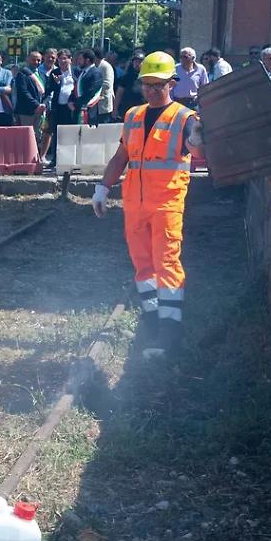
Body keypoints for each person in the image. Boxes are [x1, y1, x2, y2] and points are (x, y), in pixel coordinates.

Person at [93, 51, 203, 355]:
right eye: (147, 85)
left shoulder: (185, 118)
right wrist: (102, 188)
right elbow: (121, 157)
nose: (152, 91)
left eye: (159, 85)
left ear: (172, 83)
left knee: (166, 264)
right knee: (143, 265)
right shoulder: (133, 116)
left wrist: (201, 136)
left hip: (167, 205)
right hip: (135, 205)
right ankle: (151, 320)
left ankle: (170, 332)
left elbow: (197, 146)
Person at [43, 49, 78, 168]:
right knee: (57, 133)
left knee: (71, 133)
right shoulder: (55, 72)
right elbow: (48, 89)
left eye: (65, 58)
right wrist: (56, 82)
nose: (62, 61)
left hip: (71, 108)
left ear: (70, 59)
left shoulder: (76, 72)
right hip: (58, 107)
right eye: (60, 59)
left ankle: (72, 160)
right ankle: (55, 159)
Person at [14, 51, 46, 134]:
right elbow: (23, 92)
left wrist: (43, 105)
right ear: (28, 59)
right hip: (27, 112)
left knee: (38, 137)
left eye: (38, 60)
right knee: (27, 136)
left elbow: (45, 91)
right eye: (33, 60)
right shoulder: (22, 74)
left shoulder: (41, 74)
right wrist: (36, 105)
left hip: (41, 111)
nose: (36, 62)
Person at [75, 49, 105, 126]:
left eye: (80, 59)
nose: (78, 62)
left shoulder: (96, 73)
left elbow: (91, 91)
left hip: (91, 110)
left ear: (87, 60)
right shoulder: (83, 73)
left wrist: (79, 101)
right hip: (80, 108)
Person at [114, 51, 145, 120]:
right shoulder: (126, 77)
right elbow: (119, 93)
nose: (137, 64)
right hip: (128, 108)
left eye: (140, 62)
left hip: (142, 107)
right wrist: (115, 109)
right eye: (135, 61)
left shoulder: (147, 77)